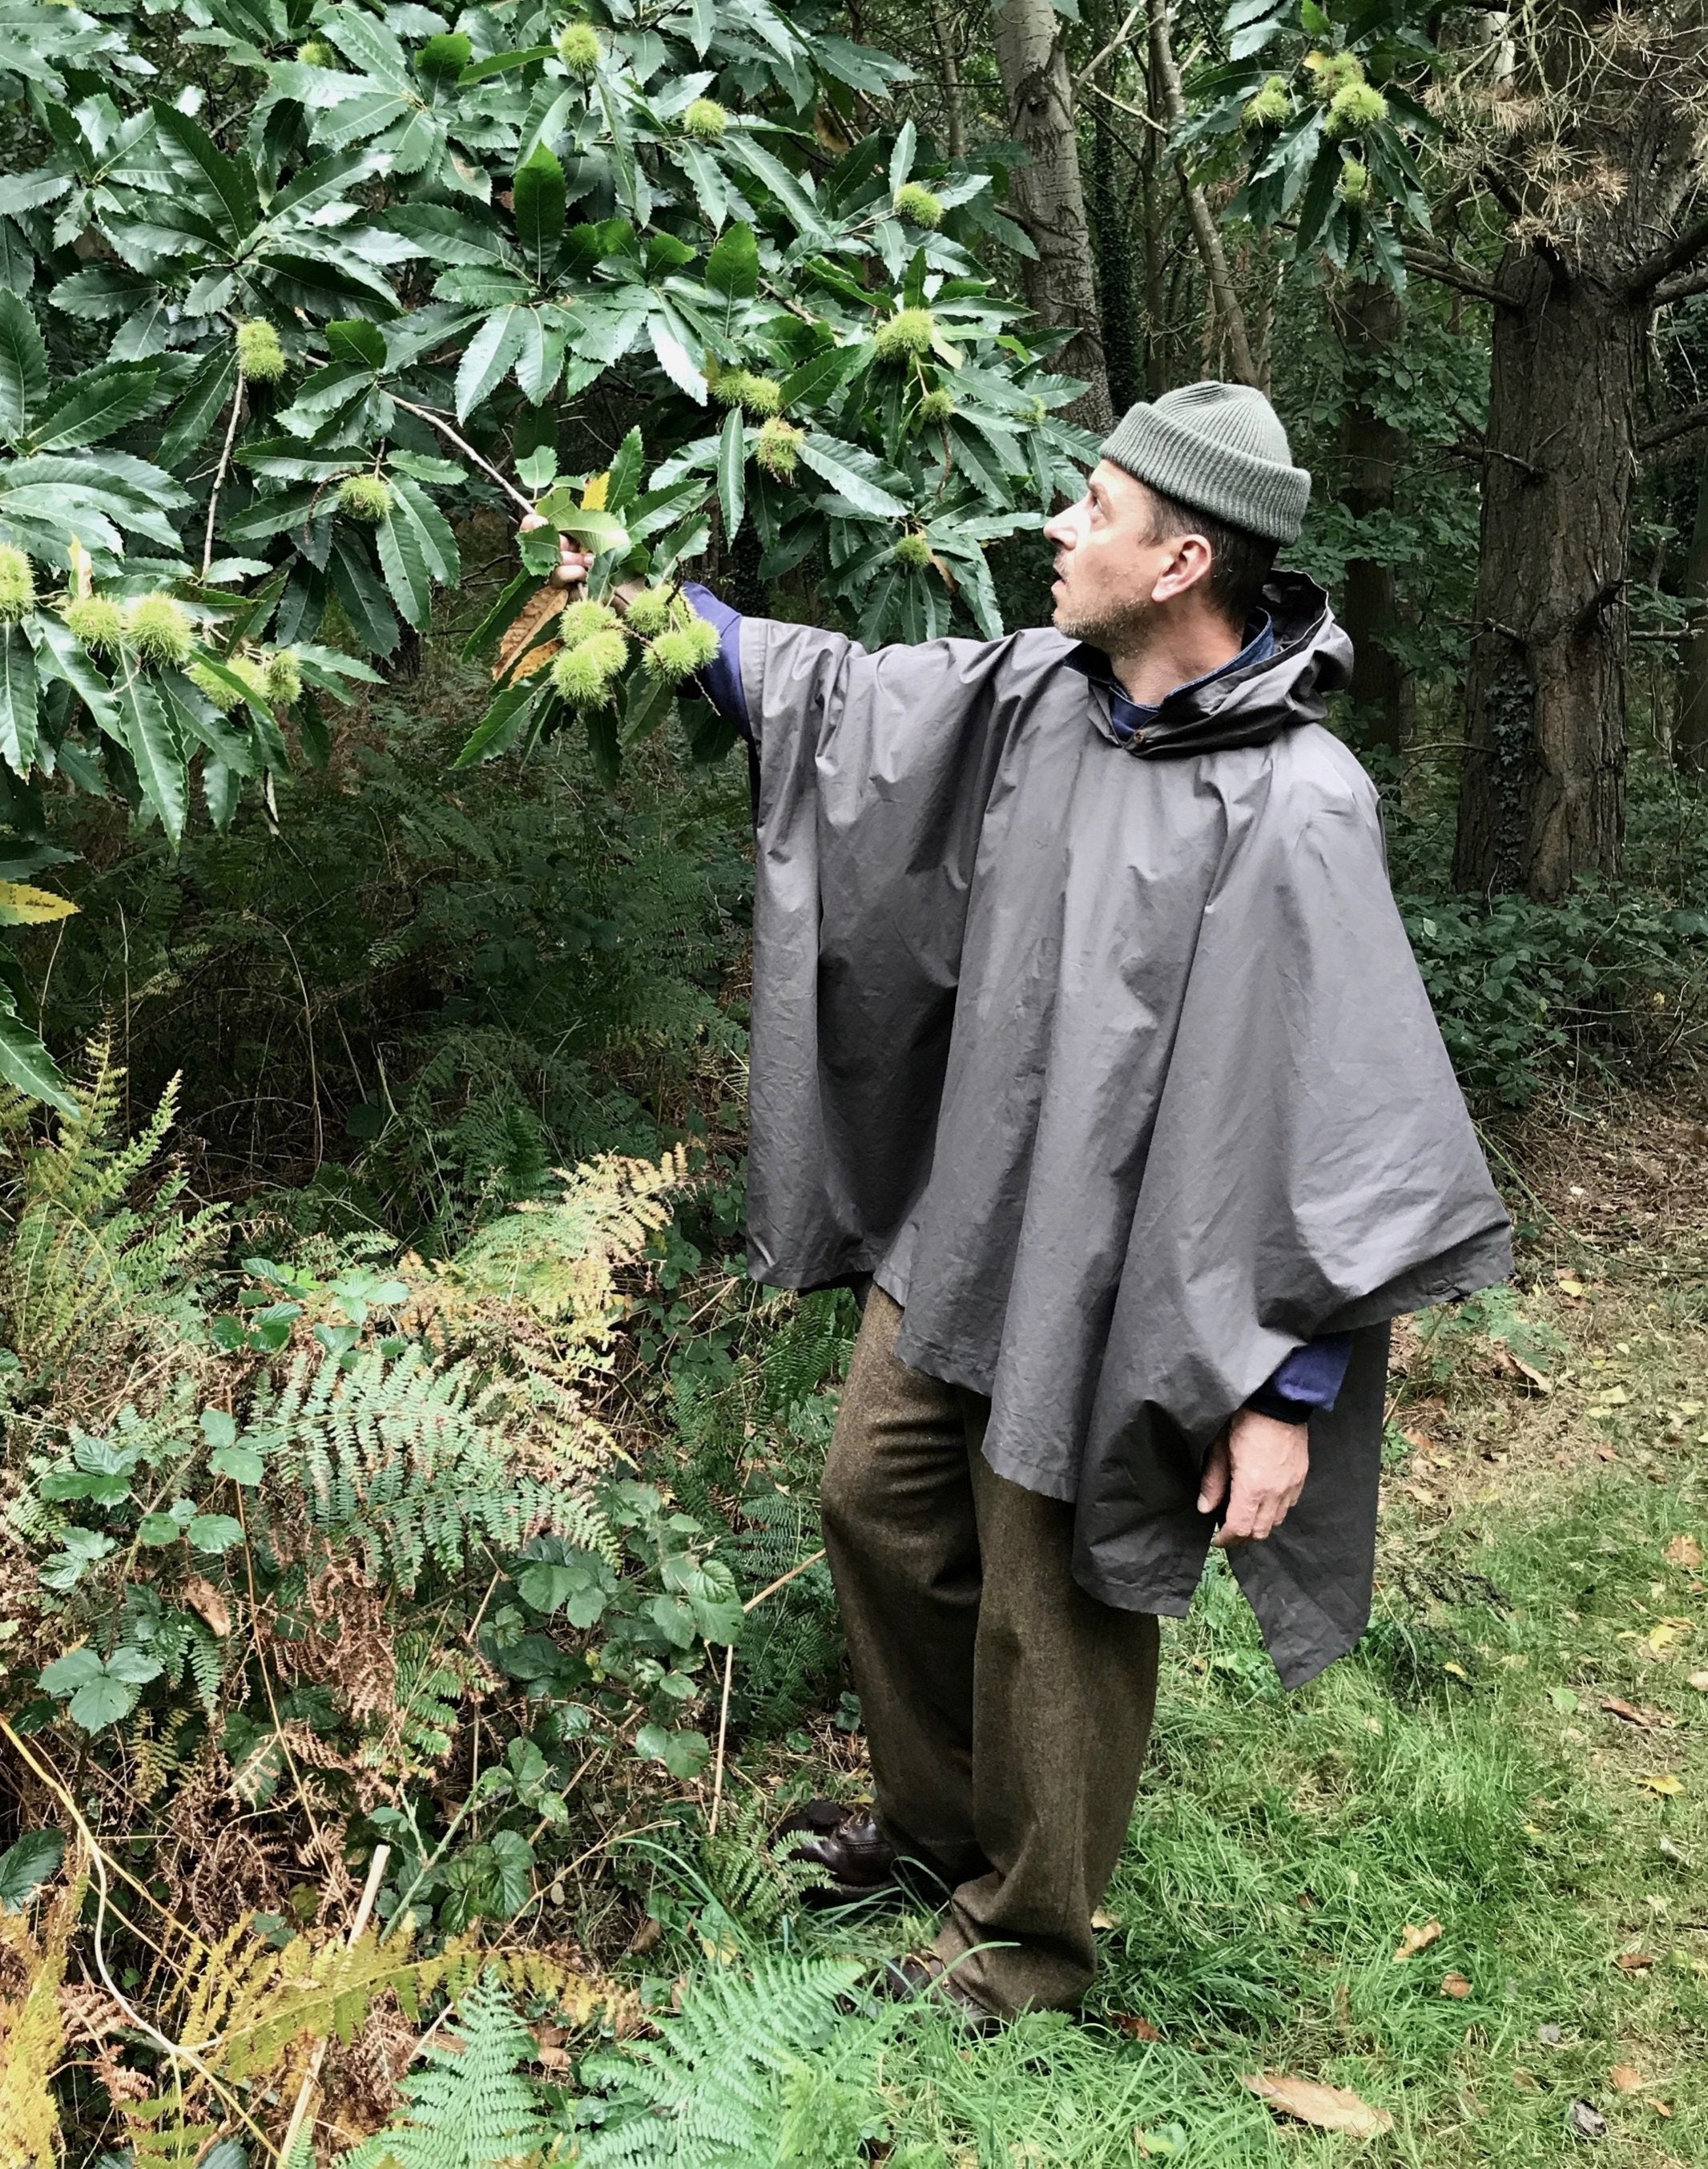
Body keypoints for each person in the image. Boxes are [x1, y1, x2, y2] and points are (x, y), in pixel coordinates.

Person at [530, 378, 1509, 2022]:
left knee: (1052, 1601)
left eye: (1094, 508)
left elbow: (1344, 1115)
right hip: (970, 1222)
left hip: (1129, 1287)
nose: (1059, 525)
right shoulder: (1042, 695)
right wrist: (644, 604)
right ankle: (932, 1833)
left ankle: (1025, 1943)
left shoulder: (1296, 804)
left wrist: (1287, 1391)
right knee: (877, 1500)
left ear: (1178, 559)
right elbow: (837, 701)